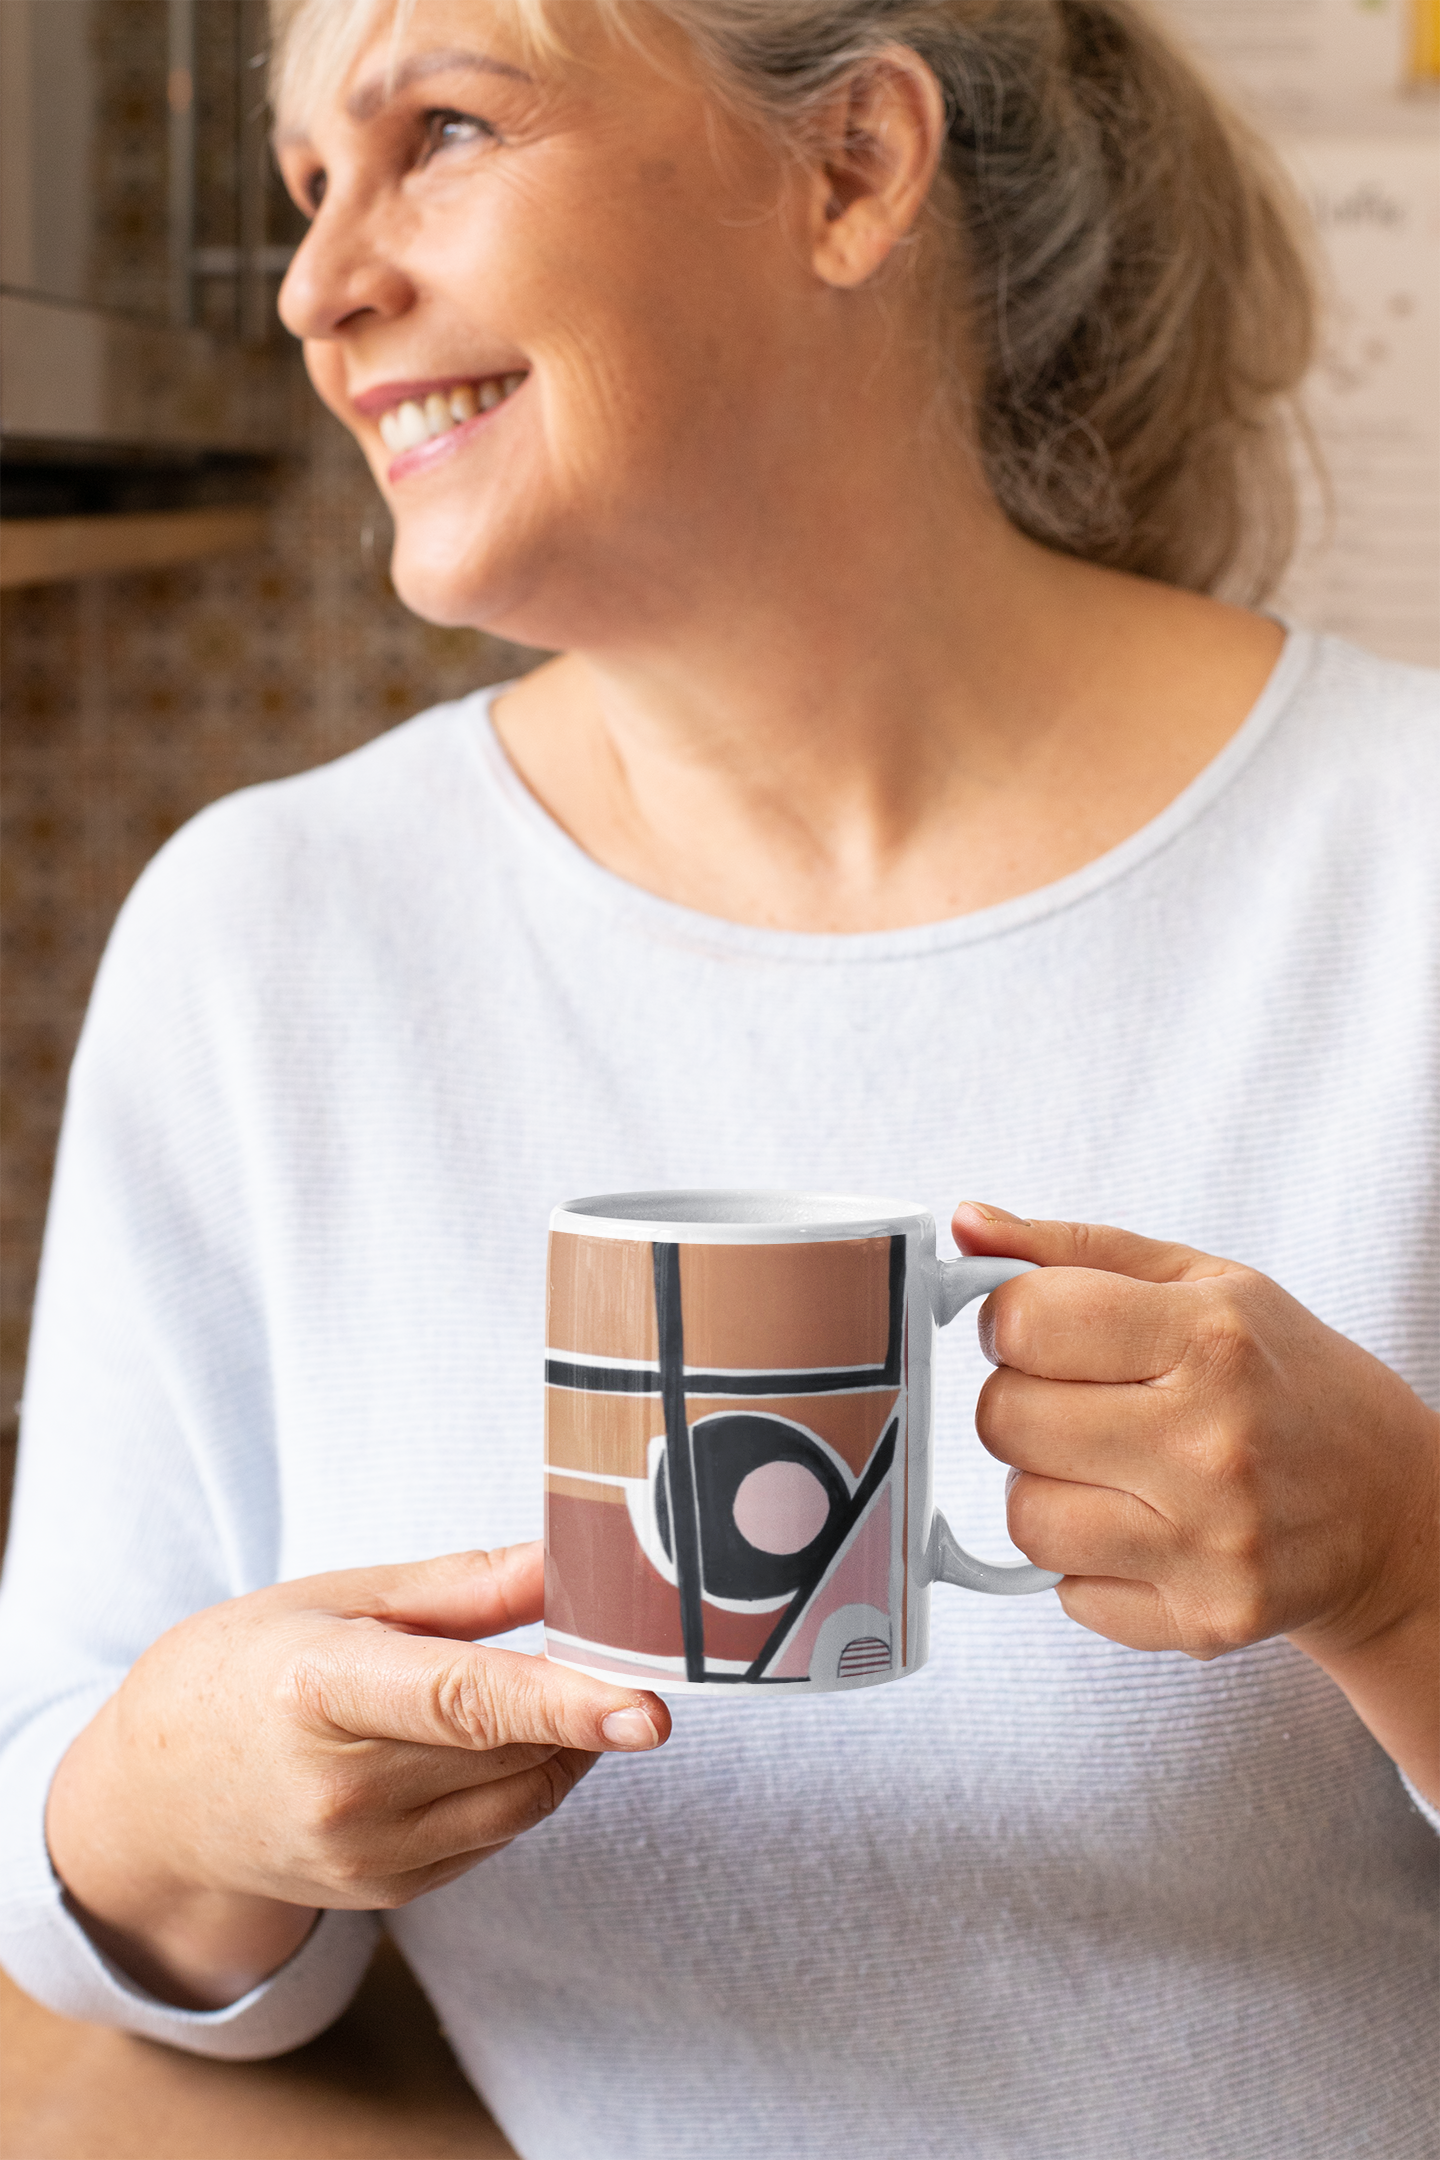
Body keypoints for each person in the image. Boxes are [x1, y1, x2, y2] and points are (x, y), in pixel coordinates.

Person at [2, 0, 1439, 2152]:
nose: (317, 287)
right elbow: (82, 1874)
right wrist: (183, 1791)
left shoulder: (1406, 871)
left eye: (446, 130)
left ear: (850, 168)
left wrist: (1410, 1563)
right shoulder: (263, 941)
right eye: (311, 185)